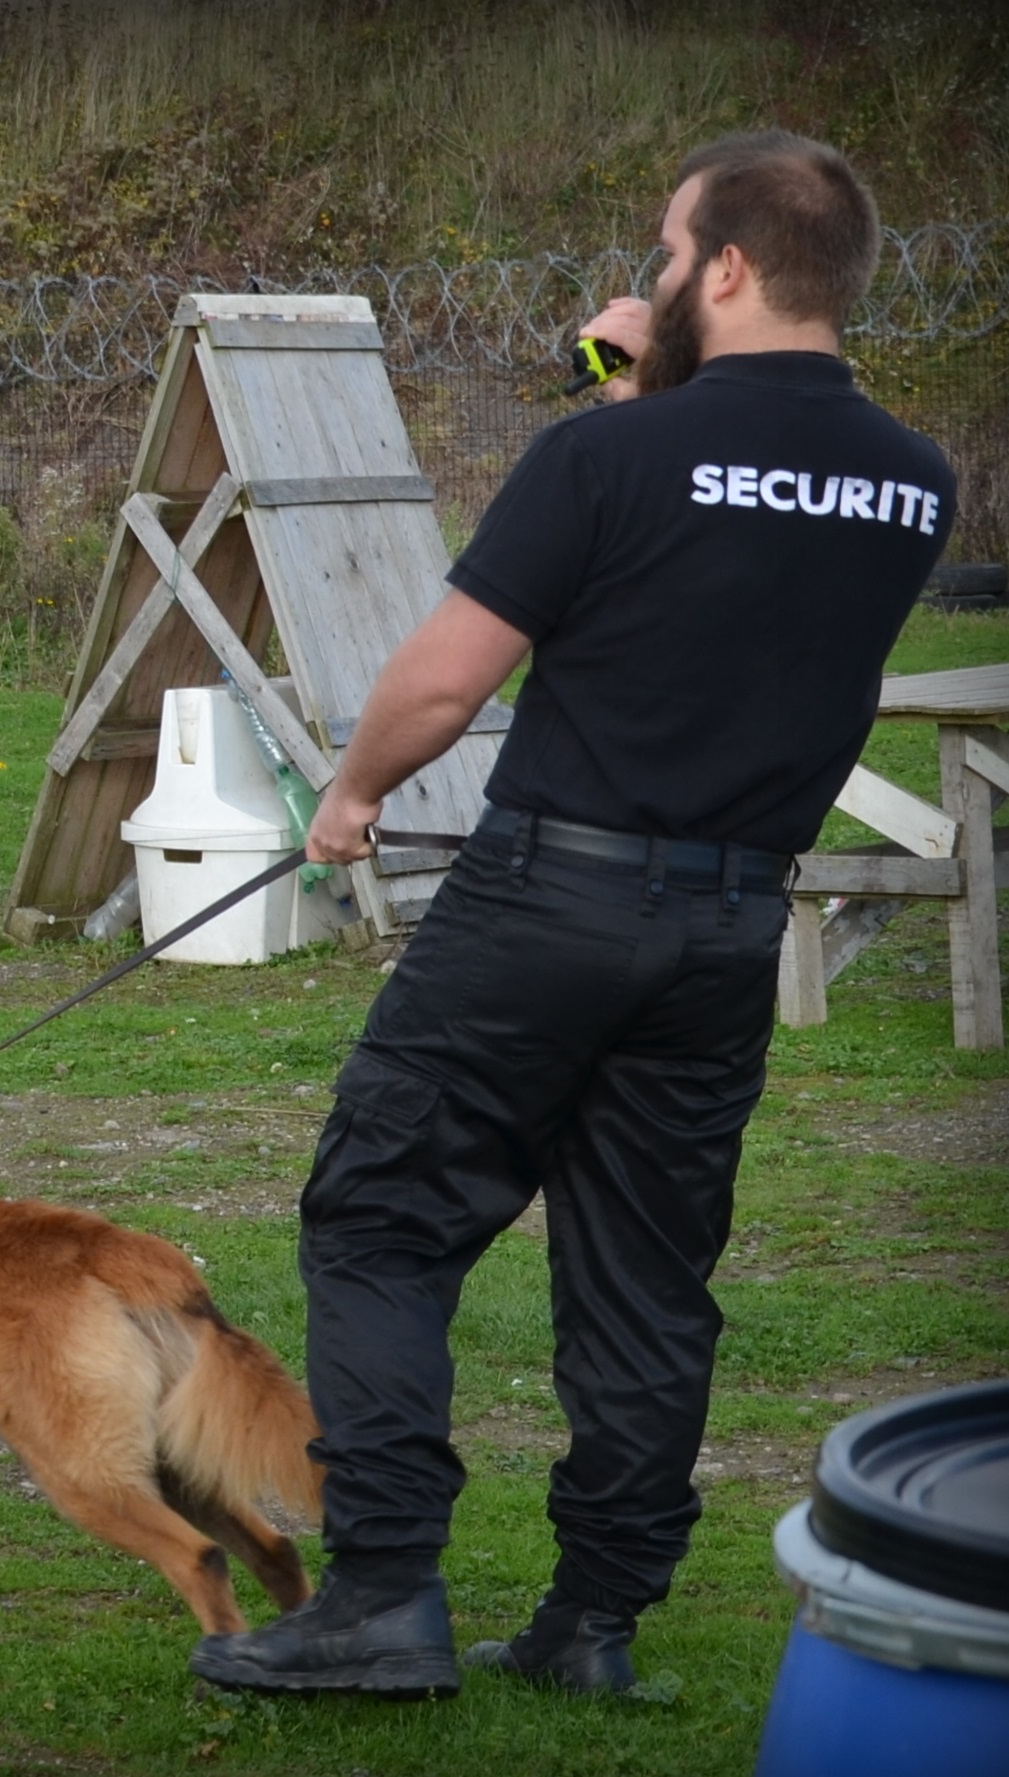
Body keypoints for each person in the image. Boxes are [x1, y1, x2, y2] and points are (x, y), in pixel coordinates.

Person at [189, 131, 956, 1700]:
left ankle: (384, 1589)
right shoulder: (912, 481)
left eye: (670, 255)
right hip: (730, 924)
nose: (653, 276)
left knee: (383, 1214)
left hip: (549, 898)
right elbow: (731, 558)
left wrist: (347, 791)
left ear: (726, 269)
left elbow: (445, 677)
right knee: (644, 1277)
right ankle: (591, 1623)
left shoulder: (598, 458)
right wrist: (647, 395)